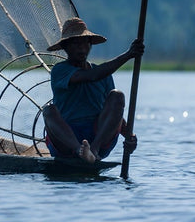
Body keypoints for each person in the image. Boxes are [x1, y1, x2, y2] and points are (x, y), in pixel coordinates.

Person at [44, 17, 143, 163]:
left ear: (90, 45)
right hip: (67, 140)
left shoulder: (103, 74)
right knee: (48, 110)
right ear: (66, 48)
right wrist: (129, 55)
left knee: (117, 96)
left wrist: (129, 136)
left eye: (85, 43)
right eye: (76, 44)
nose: (82, 48)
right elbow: (91, 76)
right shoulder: (60, 71)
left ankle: (93, 151)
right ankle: (80, 150)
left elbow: (114, 113)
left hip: (98, 137)